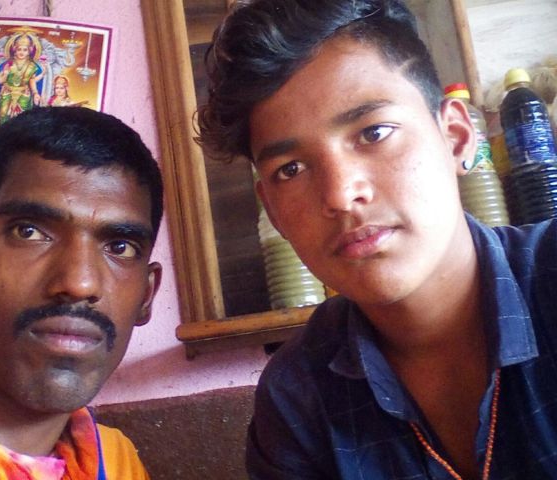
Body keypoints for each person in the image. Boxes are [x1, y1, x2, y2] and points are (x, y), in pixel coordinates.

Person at [197, 0, 557, 478]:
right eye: (291, 168)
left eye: (374, 132)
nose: (340, 195)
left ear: (455, 136)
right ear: (273, 212)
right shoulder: (297, 398)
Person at [0, 106, 163, 479]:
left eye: (120, 247)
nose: (79, 283)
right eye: (29, 232)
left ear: (146, 296)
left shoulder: (116, 461)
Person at [0, 33, 46, 124]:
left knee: (21, 117)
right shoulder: (9, 64)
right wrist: (5, 74)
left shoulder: (32, 66)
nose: (22, 52)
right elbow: (1, 80)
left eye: (25, 50)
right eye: (19, 49)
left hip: (24, 94)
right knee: (3, 113)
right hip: (7, 92)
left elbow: (32, 80)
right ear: (15, 50)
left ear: (29, 51)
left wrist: (35, 93)